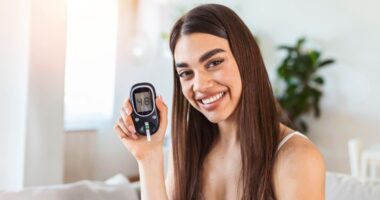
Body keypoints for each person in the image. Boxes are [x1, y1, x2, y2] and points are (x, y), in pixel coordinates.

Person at [113, 3, 325, 200]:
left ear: (246, 59)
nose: (200, 85)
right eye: (186, 73)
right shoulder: (189, 149)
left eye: (214, 62)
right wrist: (148, 157)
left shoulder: (297, 158)